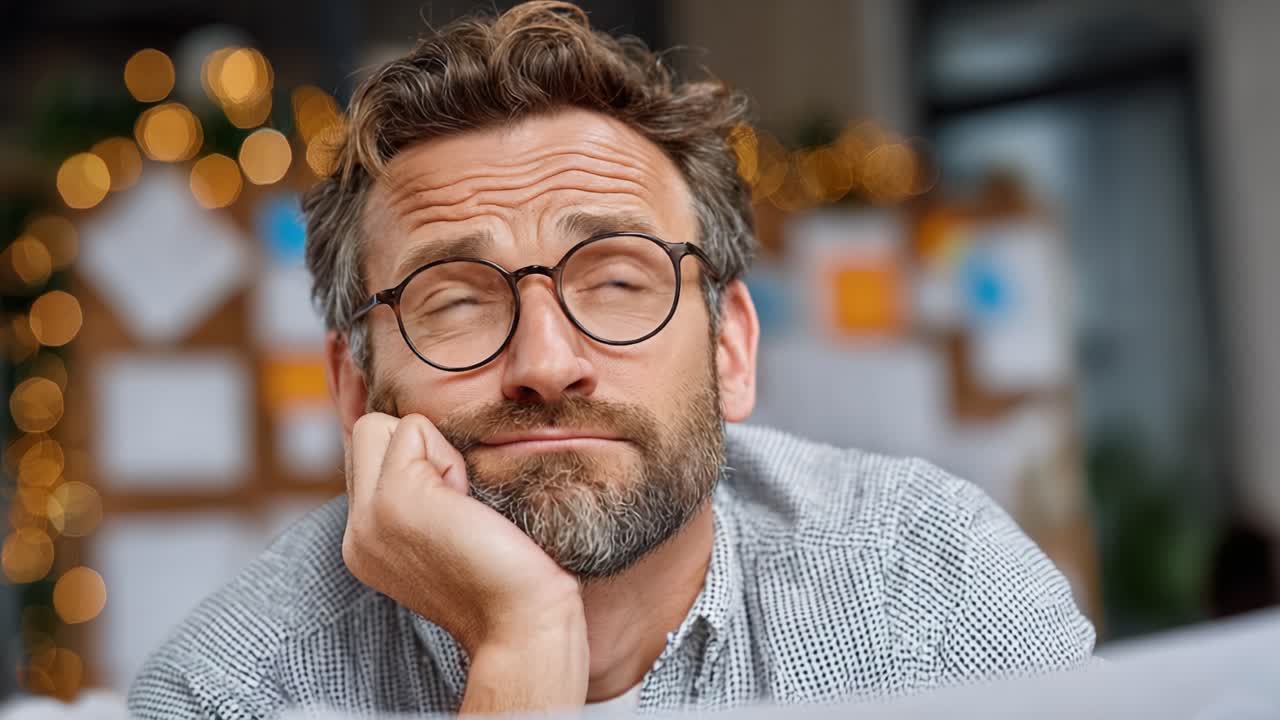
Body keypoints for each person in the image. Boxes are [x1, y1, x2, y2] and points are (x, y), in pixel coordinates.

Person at [128, 2, 1094, 717]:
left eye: (620, 282)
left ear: (731, 350)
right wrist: (523, 645)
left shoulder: (929, 588)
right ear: (353, 391)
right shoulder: (232, 692)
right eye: (457, 300)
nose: (547, 363)